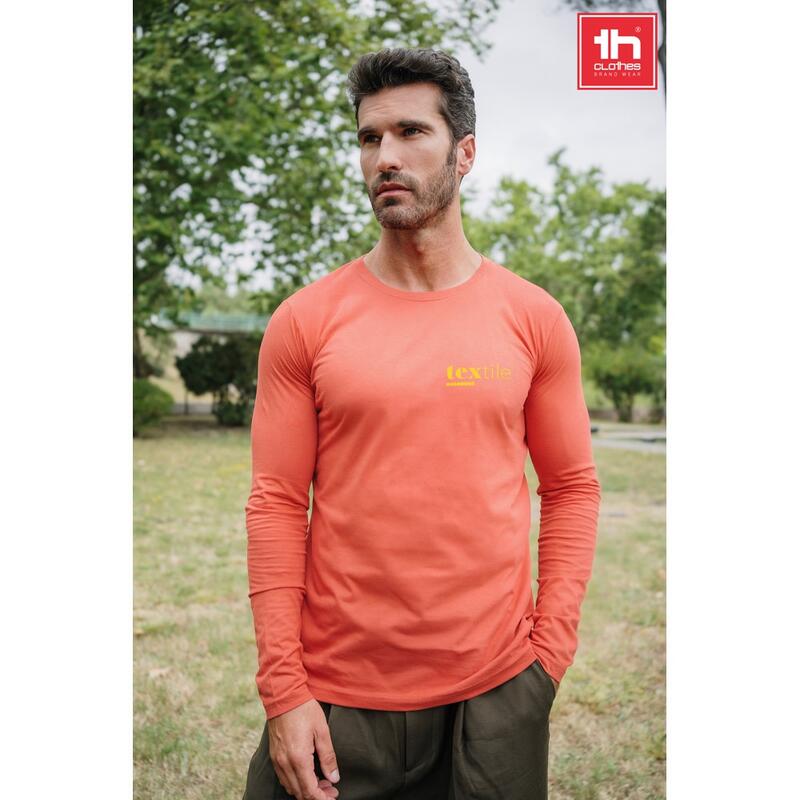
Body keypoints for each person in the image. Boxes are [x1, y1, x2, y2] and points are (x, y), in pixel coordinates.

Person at [241, 47, 601, 800]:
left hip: (498, 690)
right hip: (337, 693)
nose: (386, 158)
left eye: (411, 132)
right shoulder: (305, 322)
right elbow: (275, 502)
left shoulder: (534, 318)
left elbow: (571, 487)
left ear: (464, 153)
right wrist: (284, 689)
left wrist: (549, 655)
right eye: (369, 138)